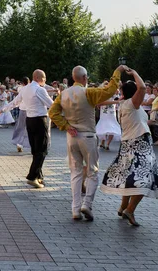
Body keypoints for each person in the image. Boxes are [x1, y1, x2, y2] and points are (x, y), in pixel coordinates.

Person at [49, 65, 124, 219]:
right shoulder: (88, 92)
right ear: (84, 78)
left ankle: (75, 209)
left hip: (72, 136)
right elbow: (109, 91)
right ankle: (87, 204)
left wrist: (65, 125)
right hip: (88, 135)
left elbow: (52, 112)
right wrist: (117, 72)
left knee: (75, 173)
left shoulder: (63, 94)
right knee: (92, 172)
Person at [100, 68, 158, 226]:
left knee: (129, 177)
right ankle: (130, 209)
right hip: (139, 143)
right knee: (145, 179)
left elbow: (137, 121)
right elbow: (142, 87)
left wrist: (149, 123)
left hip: (129, 143)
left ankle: (123, 207)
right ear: (134, 92)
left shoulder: (125, 105)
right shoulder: (131, 103)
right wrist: (135, 72)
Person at [11, 70, 53, 188]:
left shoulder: (25, 89)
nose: (45, 81)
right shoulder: (40, 89)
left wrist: (4, 109)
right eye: (44, 78)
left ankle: (39, 177)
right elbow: (51, 105)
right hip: (40, 120)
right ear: (38, 77)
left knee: (35, 150)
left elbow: (15, 102)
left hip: (30, 121)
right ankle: (32, 176)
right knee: (42, 150)